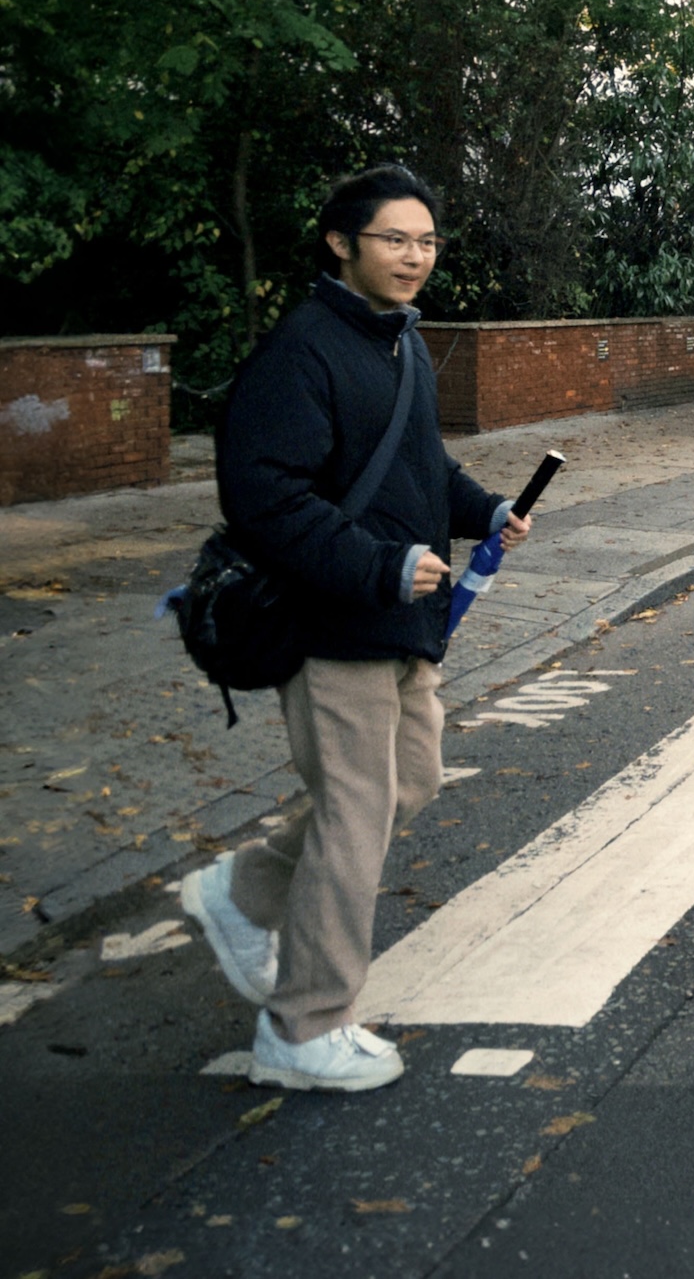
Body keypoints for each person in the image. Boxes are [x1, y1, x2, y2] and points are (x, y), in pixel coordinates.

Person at [184, 165, 531, 1092]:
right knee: (355, 815)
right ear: (342, 242)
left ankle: (241, 893)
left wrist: (486, 509)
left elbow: (421, 465)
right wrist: (375, 565)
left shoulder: (399, 343)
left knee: (408, 782)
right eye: (395, 240)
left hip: (399, 620)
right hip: (331, 620)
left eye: (426, 242)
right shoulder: (300, 352)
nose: (415, 257)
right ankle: (304, 1026)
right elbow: (263, 497)